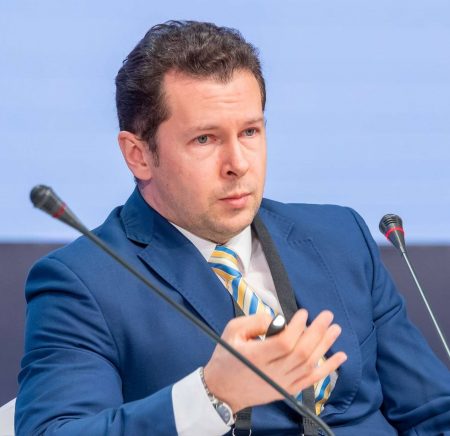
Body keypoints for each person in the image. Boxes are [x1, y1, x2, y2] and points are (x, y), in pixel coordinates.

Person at [15, 21, 450, 435]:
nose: (238, 164)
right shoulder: (82, 282)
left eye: (250, 132)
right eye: (204, 139)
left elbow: (431, 410)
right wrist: (211, 395)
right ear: (138, 155)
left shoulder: (340, 236)